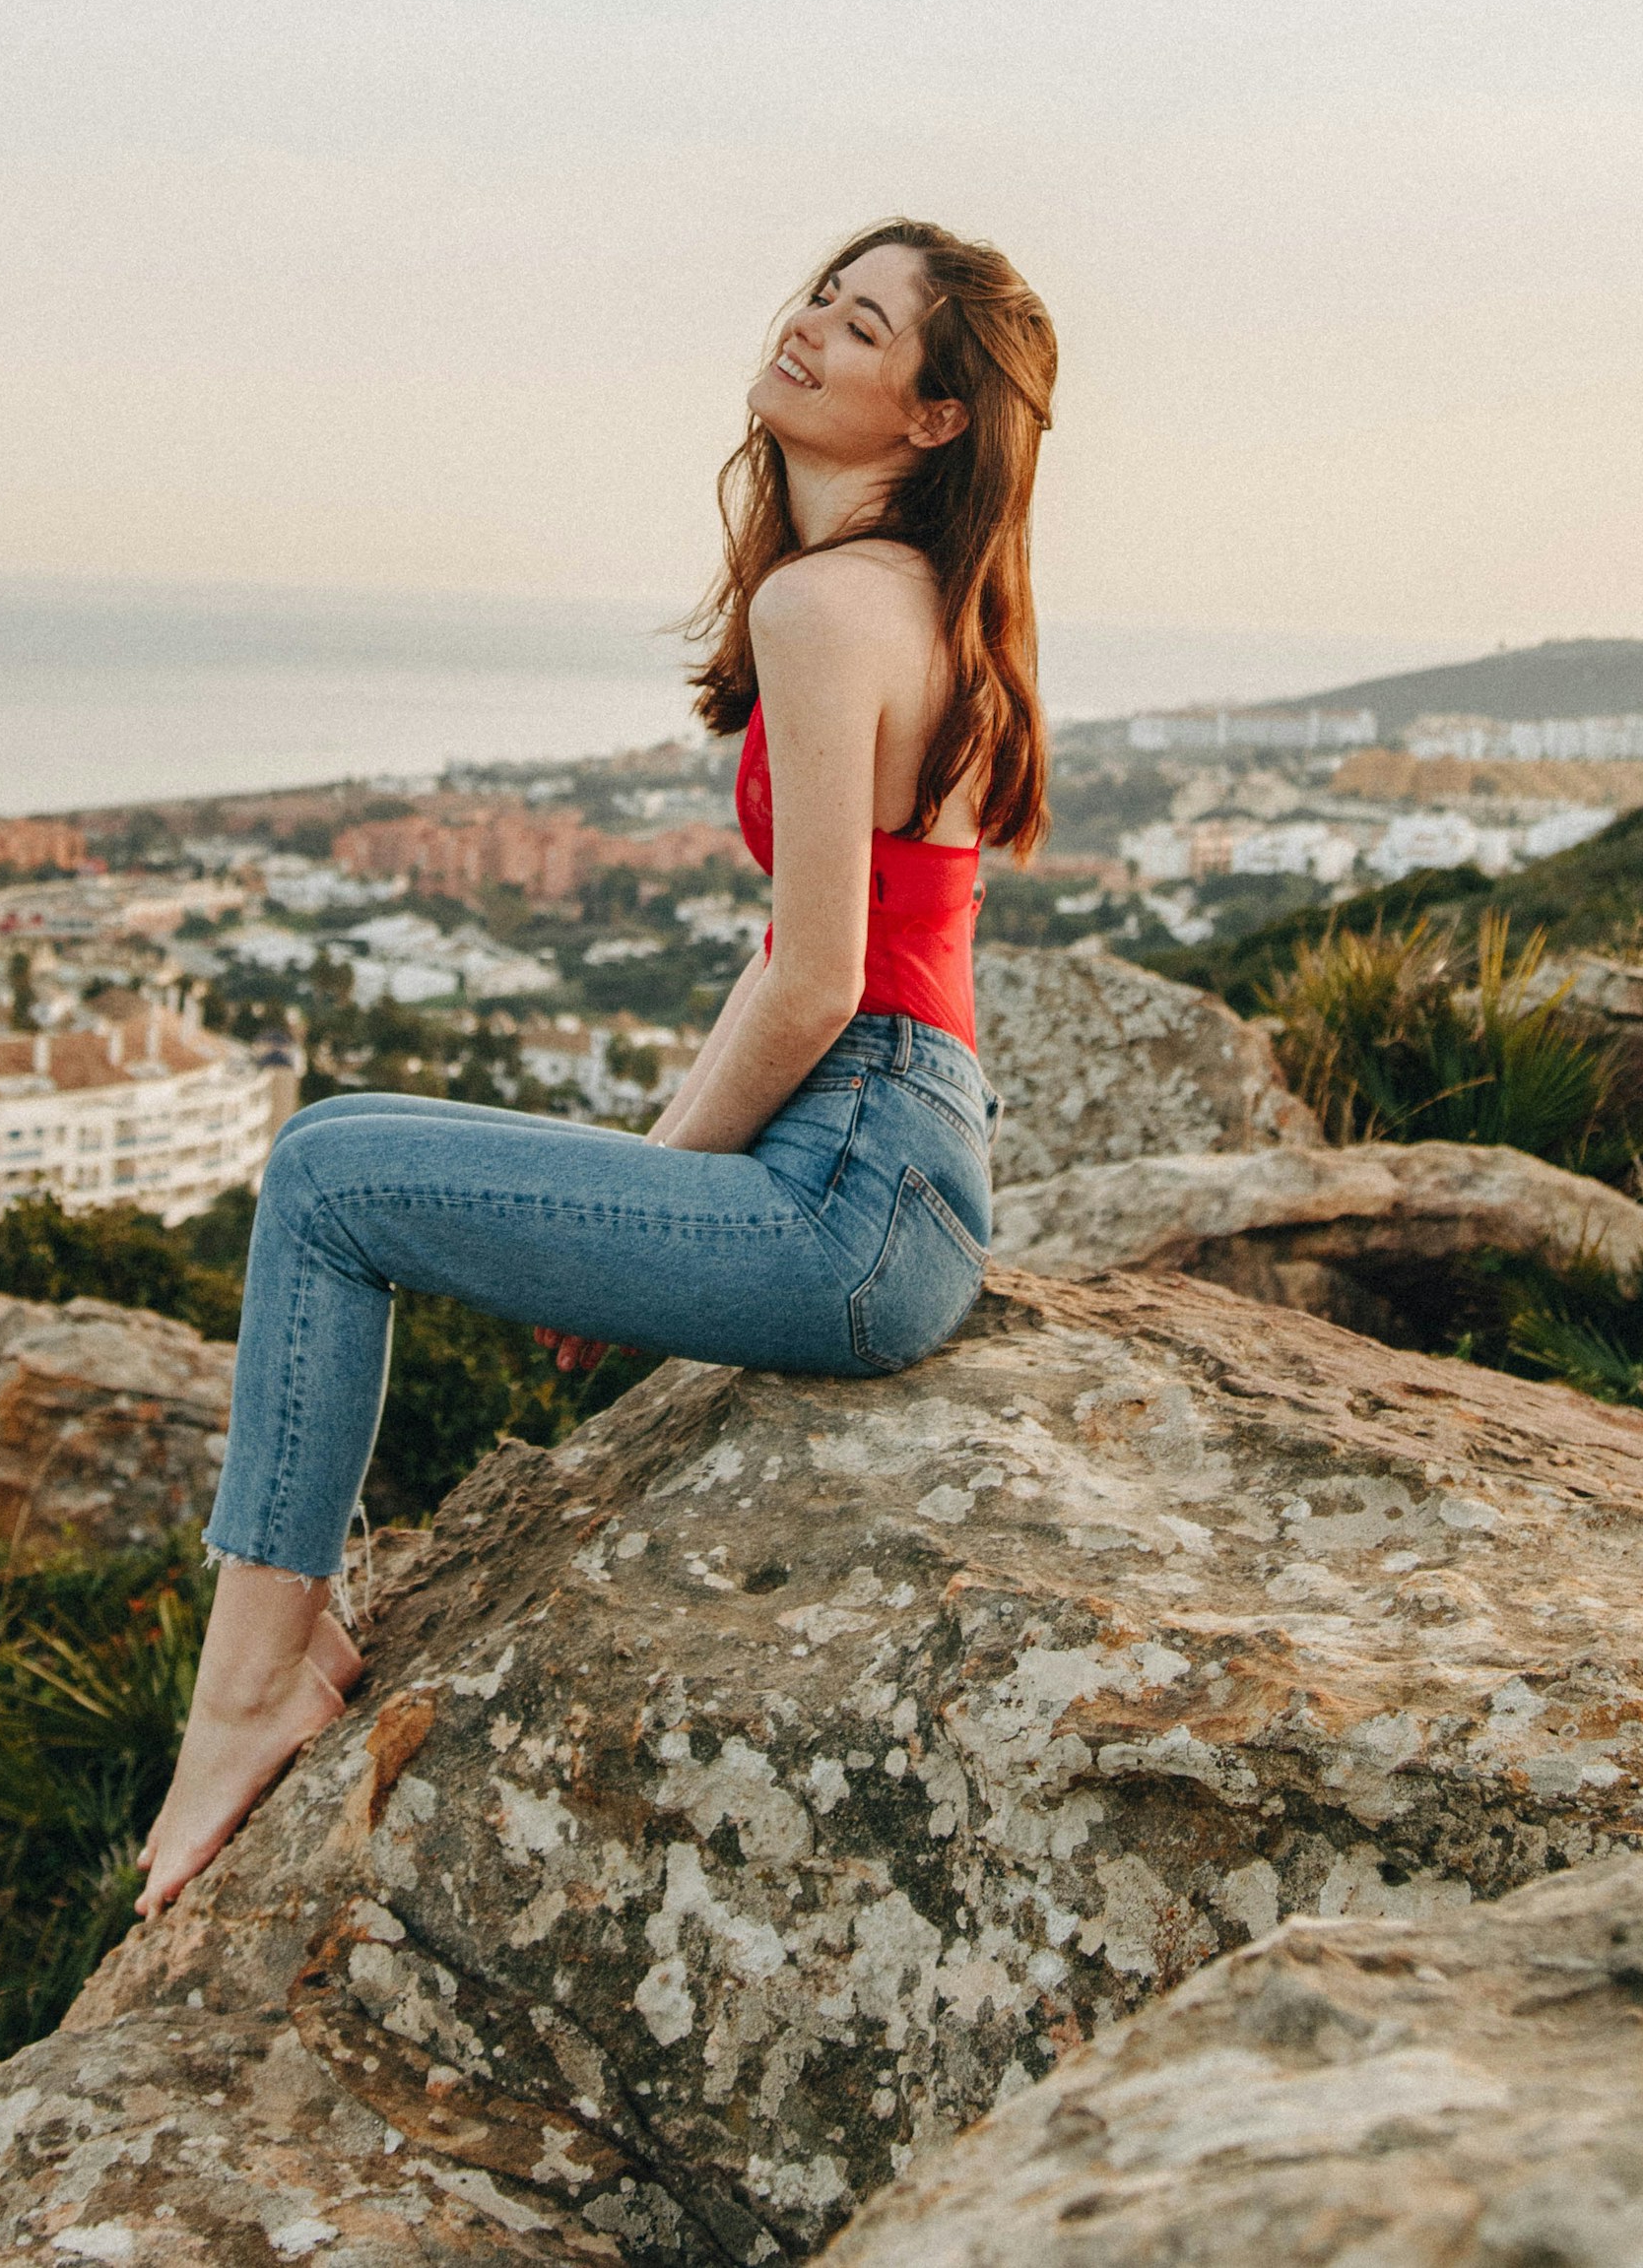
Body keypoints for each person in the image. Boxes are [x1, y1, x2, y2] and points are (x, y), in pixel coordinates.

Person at [136, 217, 1057, 1914]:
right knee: (339, 1154)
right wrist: (652, 1185)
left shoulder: (825, 602)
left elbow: (820, 985)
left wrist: (681, 1185)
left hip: (850, 1188)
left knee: (327, 1178)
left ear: (934, 416)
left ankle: (257, 1675)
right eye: (817, 299)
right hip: (896, 1168)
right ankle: (280, 1639)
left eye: (862, 330)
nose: (807, 331)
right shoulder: (920, 598)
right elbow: (791, 961)